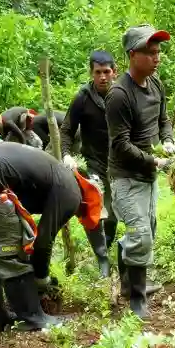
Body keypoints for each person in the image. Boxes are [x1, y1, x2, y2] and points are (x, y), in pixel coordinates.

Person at [0, 142, 104, 332]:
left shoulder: (56, 174)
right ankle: (32, 317)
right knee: (10, 249)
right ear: (87, 200)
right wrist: (42, 280)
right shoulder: (72, 192)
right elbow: (44, 241)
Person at [105, 24, 175, 319]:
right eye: (150, 52)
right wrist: (154, 161)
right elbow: (120, 144)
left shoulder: (156, 85)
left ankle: (128, 282)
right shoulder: (119, 95)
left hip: (149, 174)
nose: (156, 57)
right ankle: (137, 298)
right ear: (132, 55)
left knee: (148, 228)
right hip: (126, 177)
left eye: (158, 51)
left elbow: (163, 121)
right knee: (142, 234)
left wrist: (169, 143)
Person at [60, 50, 119, 277]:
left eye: (107, 72)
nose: (103, 77)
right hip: (94, 163)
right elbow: (66, 130)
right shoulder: (82, 98)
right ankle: (102, 258)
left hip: (120, 164)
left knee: (113, 212)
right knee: (94, 209)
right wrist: (66, 154)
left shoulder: (122, 94)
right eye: (98, 72)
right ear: (91, 73)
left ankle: (110, 244)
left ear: (114, 71)